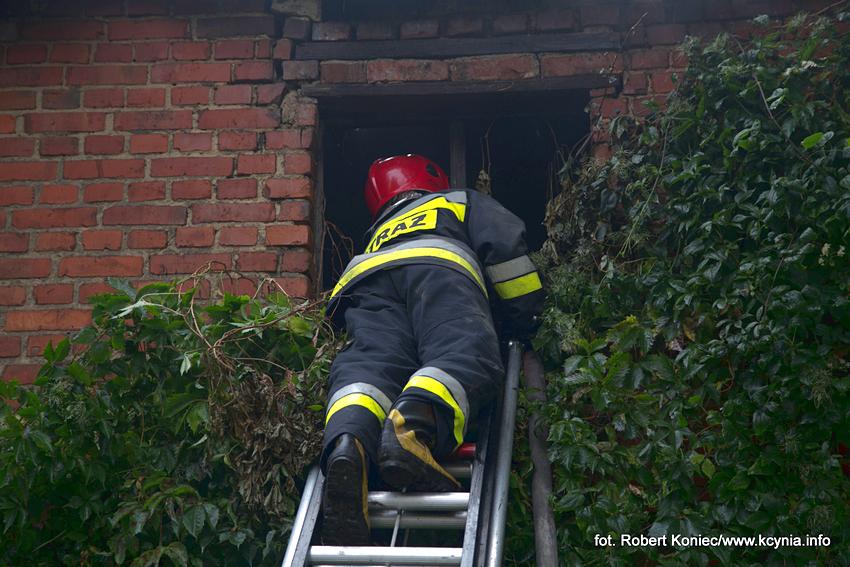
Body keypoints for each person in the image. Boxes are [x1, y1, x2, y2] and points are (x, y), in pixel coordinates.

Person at [319, 154, 544, 545]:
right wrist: (527, 319)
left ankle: (348, 443)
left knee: (368, 370)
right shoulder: (457, 200)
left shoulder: (379, 230)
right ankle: (411, 429)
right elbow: (505, 251)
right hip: (439, 269)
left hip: (365, 279)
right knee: (462, 352)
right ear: (430, 178)